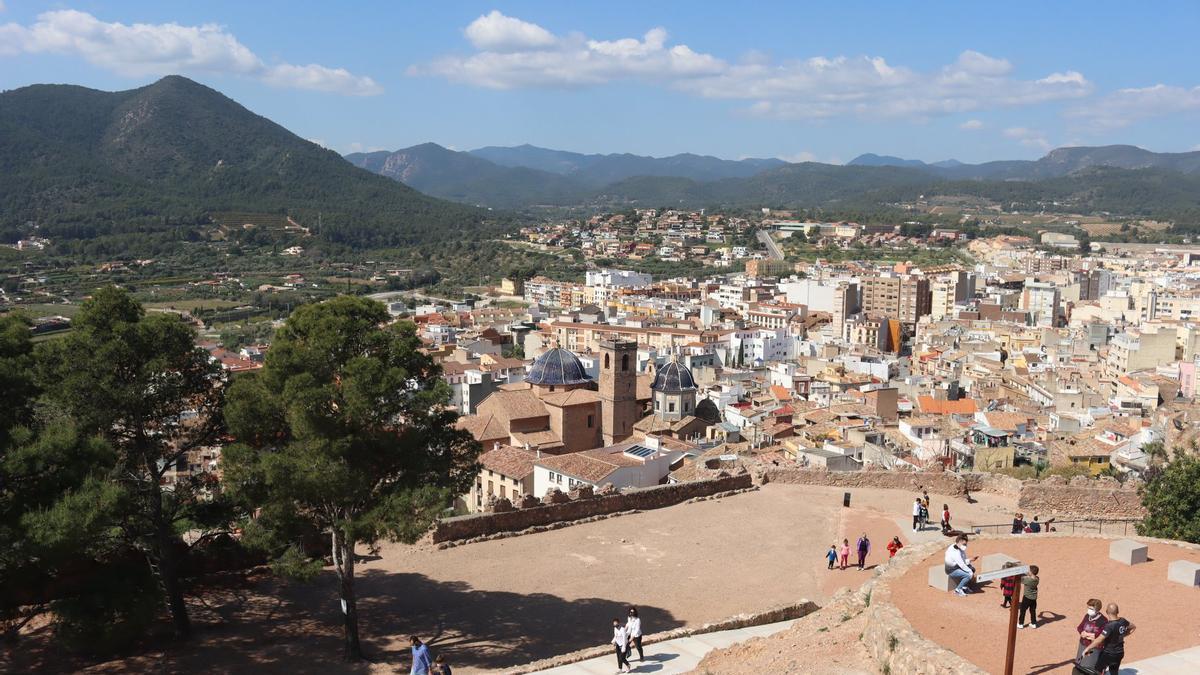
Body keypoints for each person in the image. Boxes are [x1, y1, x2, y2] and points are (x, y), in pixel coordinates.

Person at [1083, 603, 1135, 675]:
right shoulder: (1123, 620)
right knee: (1114, 671)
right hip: (1120, 653)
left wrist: (1087, 648)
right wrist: (1124, 634)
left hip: (1109, 654)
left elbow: (1099, 639)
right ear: (1118, 611)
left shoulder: (1109, 626)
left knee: (1098, 670)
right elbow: (1133, 627)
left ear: (1107, 612)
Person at [1076, 598, 1108, 672]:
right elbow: (1080, 627)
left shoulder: (1103, 620)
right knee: (1080, 665)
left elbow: (1101, 635)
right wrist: (1082, 633)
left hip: (1094, 648)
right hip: (1083, 645)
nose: (1089, 610)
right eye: (1088, 608)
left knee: (1090, 667)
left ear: (1097, 610)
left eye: (1091, 608)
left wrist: (1090, 634)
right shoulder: (1087, 616)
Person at [1018, 565, 1040, 629]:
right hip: (1033, 598)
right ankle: (1033, 623)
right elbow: (1029, 576)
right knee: (1032, 610)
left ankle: (1021, 623)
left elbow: (1021, 579)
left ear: (1031, 572)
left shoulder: (1028, 580)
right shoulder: (1037, 579)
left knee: (1023, 610)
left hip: (1027, 597)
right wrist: (1027, 574)